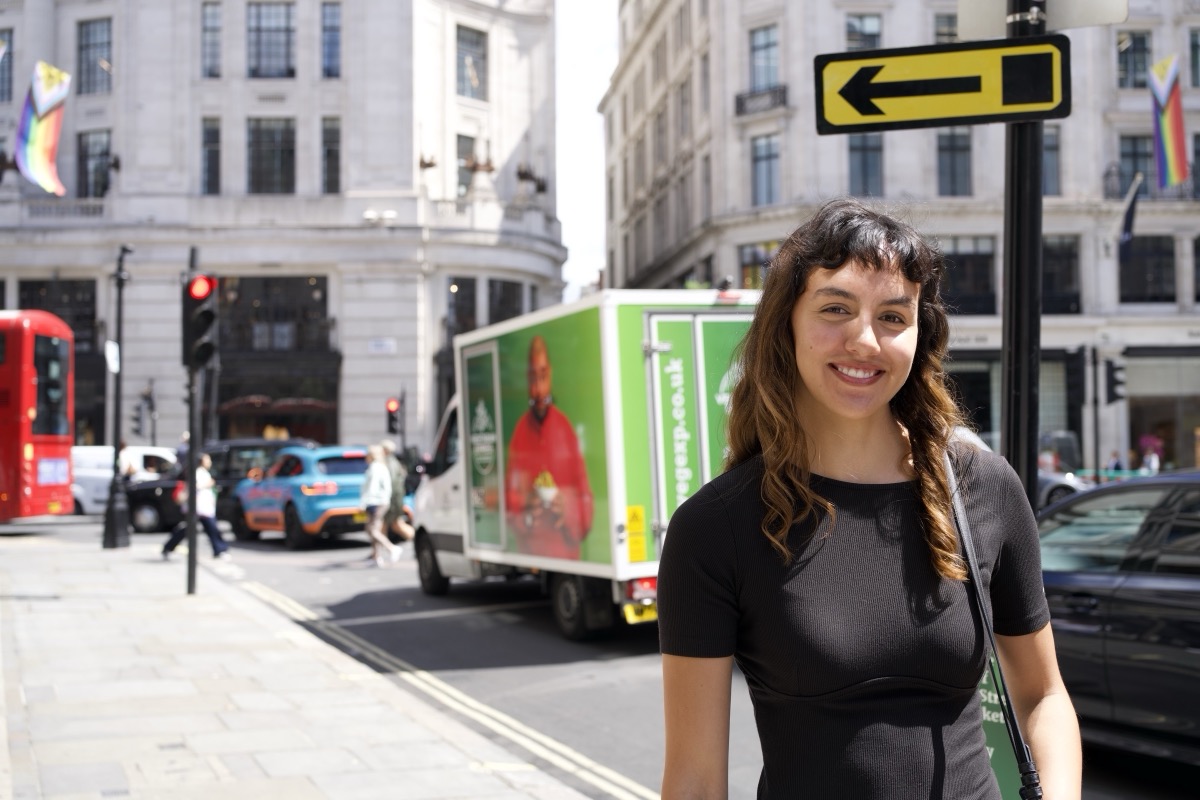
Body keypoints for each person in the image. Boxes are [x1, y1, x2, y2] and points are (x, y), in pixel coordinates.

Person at [657, 199, 1081, 799]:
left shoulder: (984, 488)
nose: (864, 340)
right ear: (787, 325)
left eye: (892, 316)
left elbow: (1043, 695)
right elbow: (696, 779)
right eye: (835, 308)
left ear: (919, 334)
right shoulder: (714, 528)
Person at [504, 335, 594, 559]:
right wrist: (526, 508)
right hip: (531, 552)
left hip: (566, 554)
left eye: (543, 377)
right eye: (533, 379)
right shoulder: (519, 433)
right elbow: (509, 498)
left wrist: (567, 508)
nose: (539, 389)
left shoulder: (565, 430)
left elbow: (586, 500)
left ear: (550, 375)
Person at [161, 453, 230, 561]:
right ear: (202, 461)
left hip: (203, 507)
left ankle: (168, 548)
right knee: (210, 528)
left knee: (193, 529)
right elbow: (194, 487)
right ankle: (220, 550)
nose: (210, 462)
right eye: (208, 460)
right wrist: (207, 484)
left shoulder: (202, 472)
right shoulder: (197, 473)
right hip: (198, 507)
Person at [360, 444, 401, 567]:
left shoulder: (375, 468)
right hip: (381, 501)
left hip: (376, 502)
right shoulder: (381, 466)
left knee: (372, 530)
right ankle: (376, 557)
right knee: (373, 529)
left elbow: (372, 488)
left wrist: (363, 503)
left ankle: (391, 548)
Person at [380, 439, 415, 547]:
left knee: (395, 524)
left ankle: (416, 538)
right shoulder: (393, 461)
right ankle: (377, 551)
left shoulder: (390, 463)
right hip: (395, 498)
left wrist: (388, 499)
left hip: (393, 499)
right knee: (386, 525)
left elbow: (392, 483)